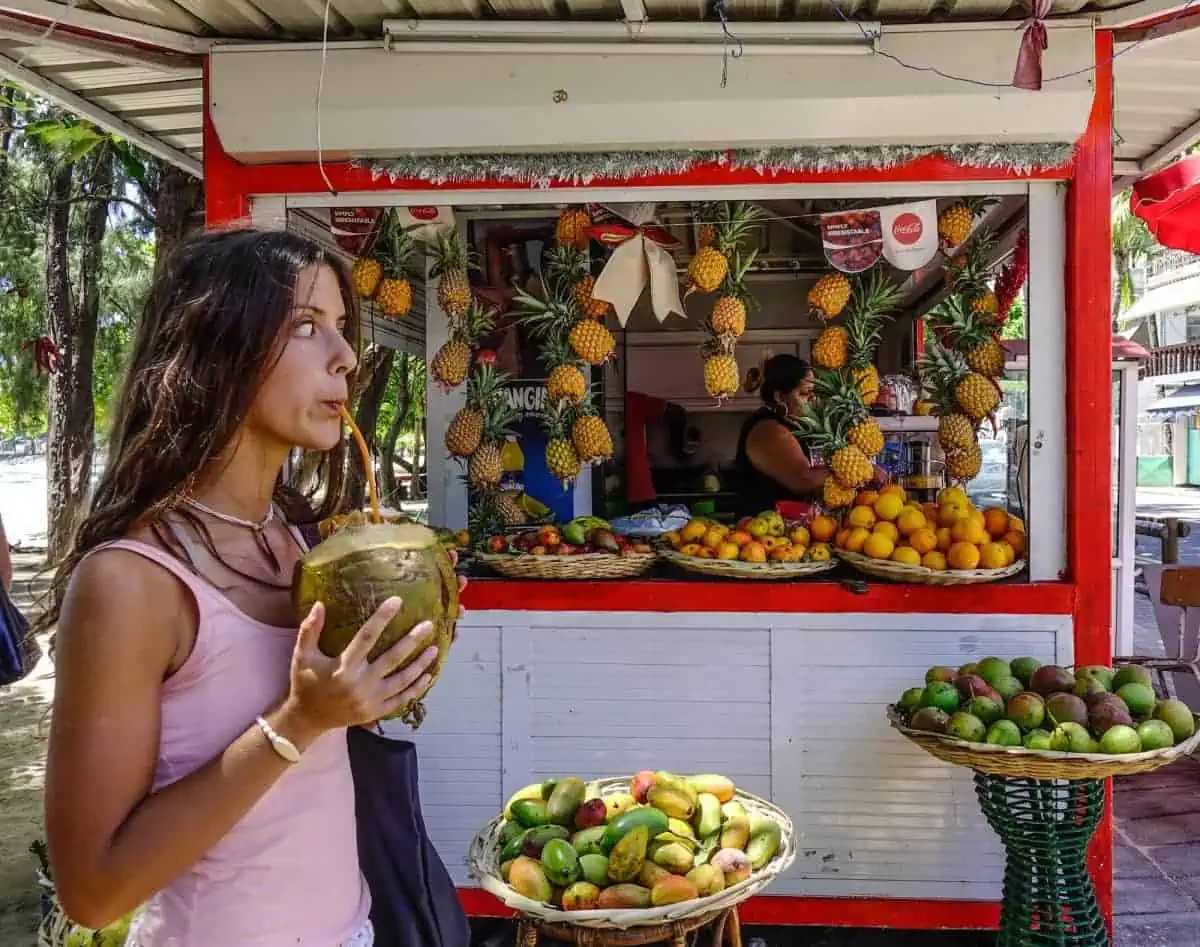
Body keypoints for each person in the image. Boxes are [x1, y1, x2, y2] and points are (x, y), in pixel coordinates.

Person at [39, 229, 454, 946]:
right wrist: (299, 720)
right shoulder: (132, 582)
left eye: (343, 329)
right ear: (219, 346)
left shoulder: (295, 544)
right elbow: (92, 888)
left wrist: (388, 668)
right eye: (306, 325)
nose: (348, 355)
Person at [734, 354, 886, 517]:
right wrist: (859, 470)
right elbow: (804, 478)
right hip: (765, 532)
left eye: (815, 393)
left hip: (795, 531)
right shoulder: (767, 429)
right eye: (806, 393)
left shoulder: (795, 424)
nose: (813, 400)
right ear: (780, 397)